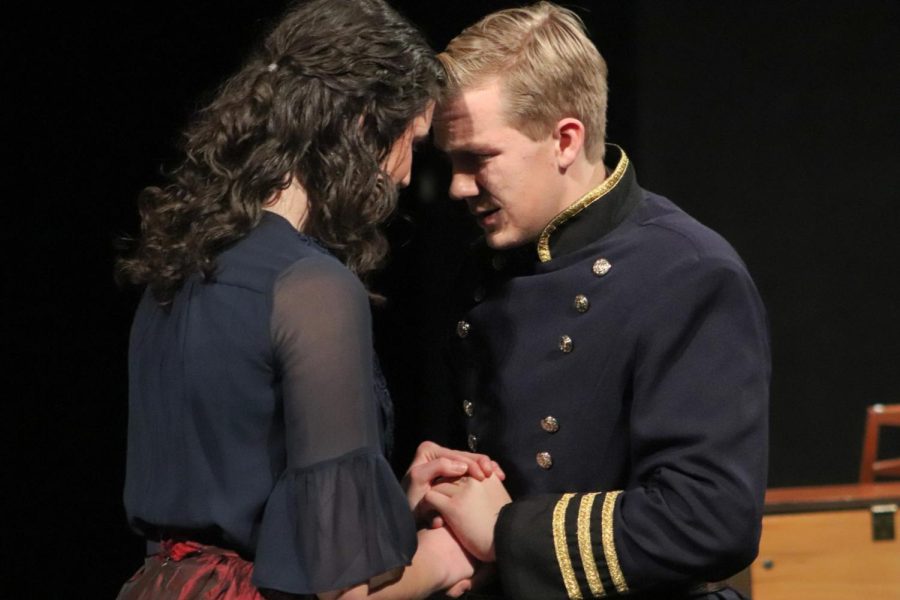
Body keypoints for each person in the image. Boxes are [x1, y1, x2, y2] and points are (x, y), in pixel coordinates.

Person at [115, 1, 502, 598]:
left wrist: (385, 506)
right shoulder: (310, 288)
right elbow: (341, 593)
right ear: (362, 124)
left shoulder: (183, 265)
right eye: (410, 141)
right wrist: (444, 556)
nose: (403, 176)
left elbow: (245, 497)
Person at [423, 3, 771, 599]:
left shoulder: (688, 273)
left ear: (564, 140)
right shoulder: (482, 266)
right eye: (450, 162)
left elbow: (711, 519)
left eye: (478, 158)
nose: (456, 186)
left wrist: (507, 533)